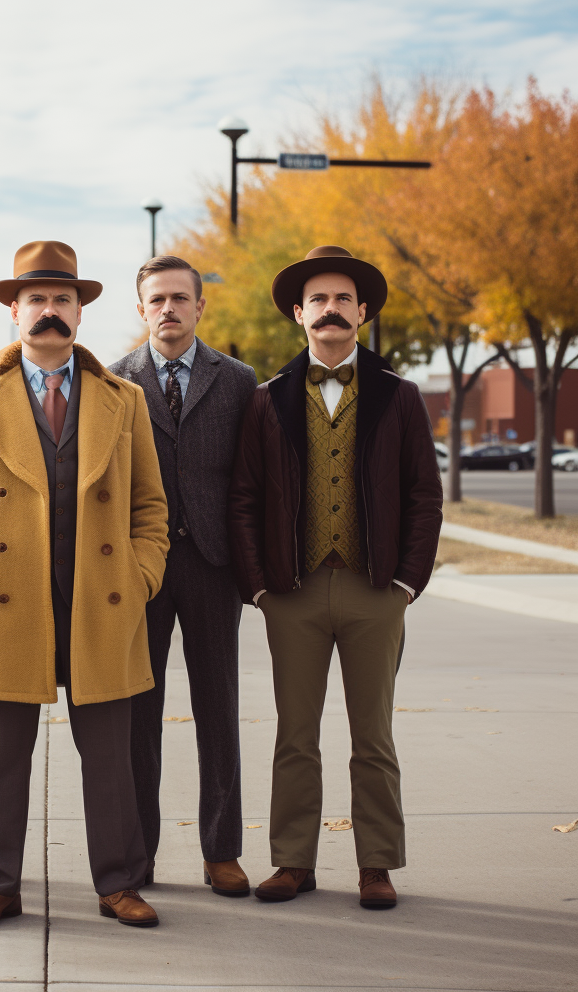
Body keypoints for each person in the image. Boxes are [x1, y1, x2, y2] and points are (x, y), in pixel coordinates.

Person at [0, 241, 170, 929]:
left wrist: (142, 571)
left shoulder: (125, 401)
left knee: (111, 758)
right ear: (13, 310)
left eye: (63, 300)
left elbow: (151, 504)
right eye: (36, 300)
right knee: (3, 756)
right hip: (6, 599)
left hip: (102, 598)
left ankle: (118, 882)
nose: (50, 312)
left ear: (81, 313)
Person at [228, 246, 442, 908]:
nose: (330, 310)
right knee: (296, 734)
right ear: (299, 315)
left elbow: (424, 496)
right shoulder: (266, 401)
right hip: (291, 593)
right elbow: (244, 498)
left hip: (375, 591)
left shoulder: (400, 397)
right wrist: (259, 586)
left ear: (363, 313)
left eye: (342, 300)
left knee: (372, 735)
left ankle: (376, 864)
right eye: (318, 300)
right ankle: (293, 861)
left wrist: (407, 583)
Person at [110, 255, 257, 895]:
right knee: (139, 714)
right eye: (156, 300)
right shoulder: (114, 382)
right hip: (139, 570)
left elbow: (253, 481)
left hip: (212, 565)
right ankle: (137, 854)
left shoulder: (238, 381)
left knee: (218, 709)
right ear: (141, 310)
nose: (168, 309)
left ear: (201, 308)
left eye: (179, 298)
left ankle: (221, 850)